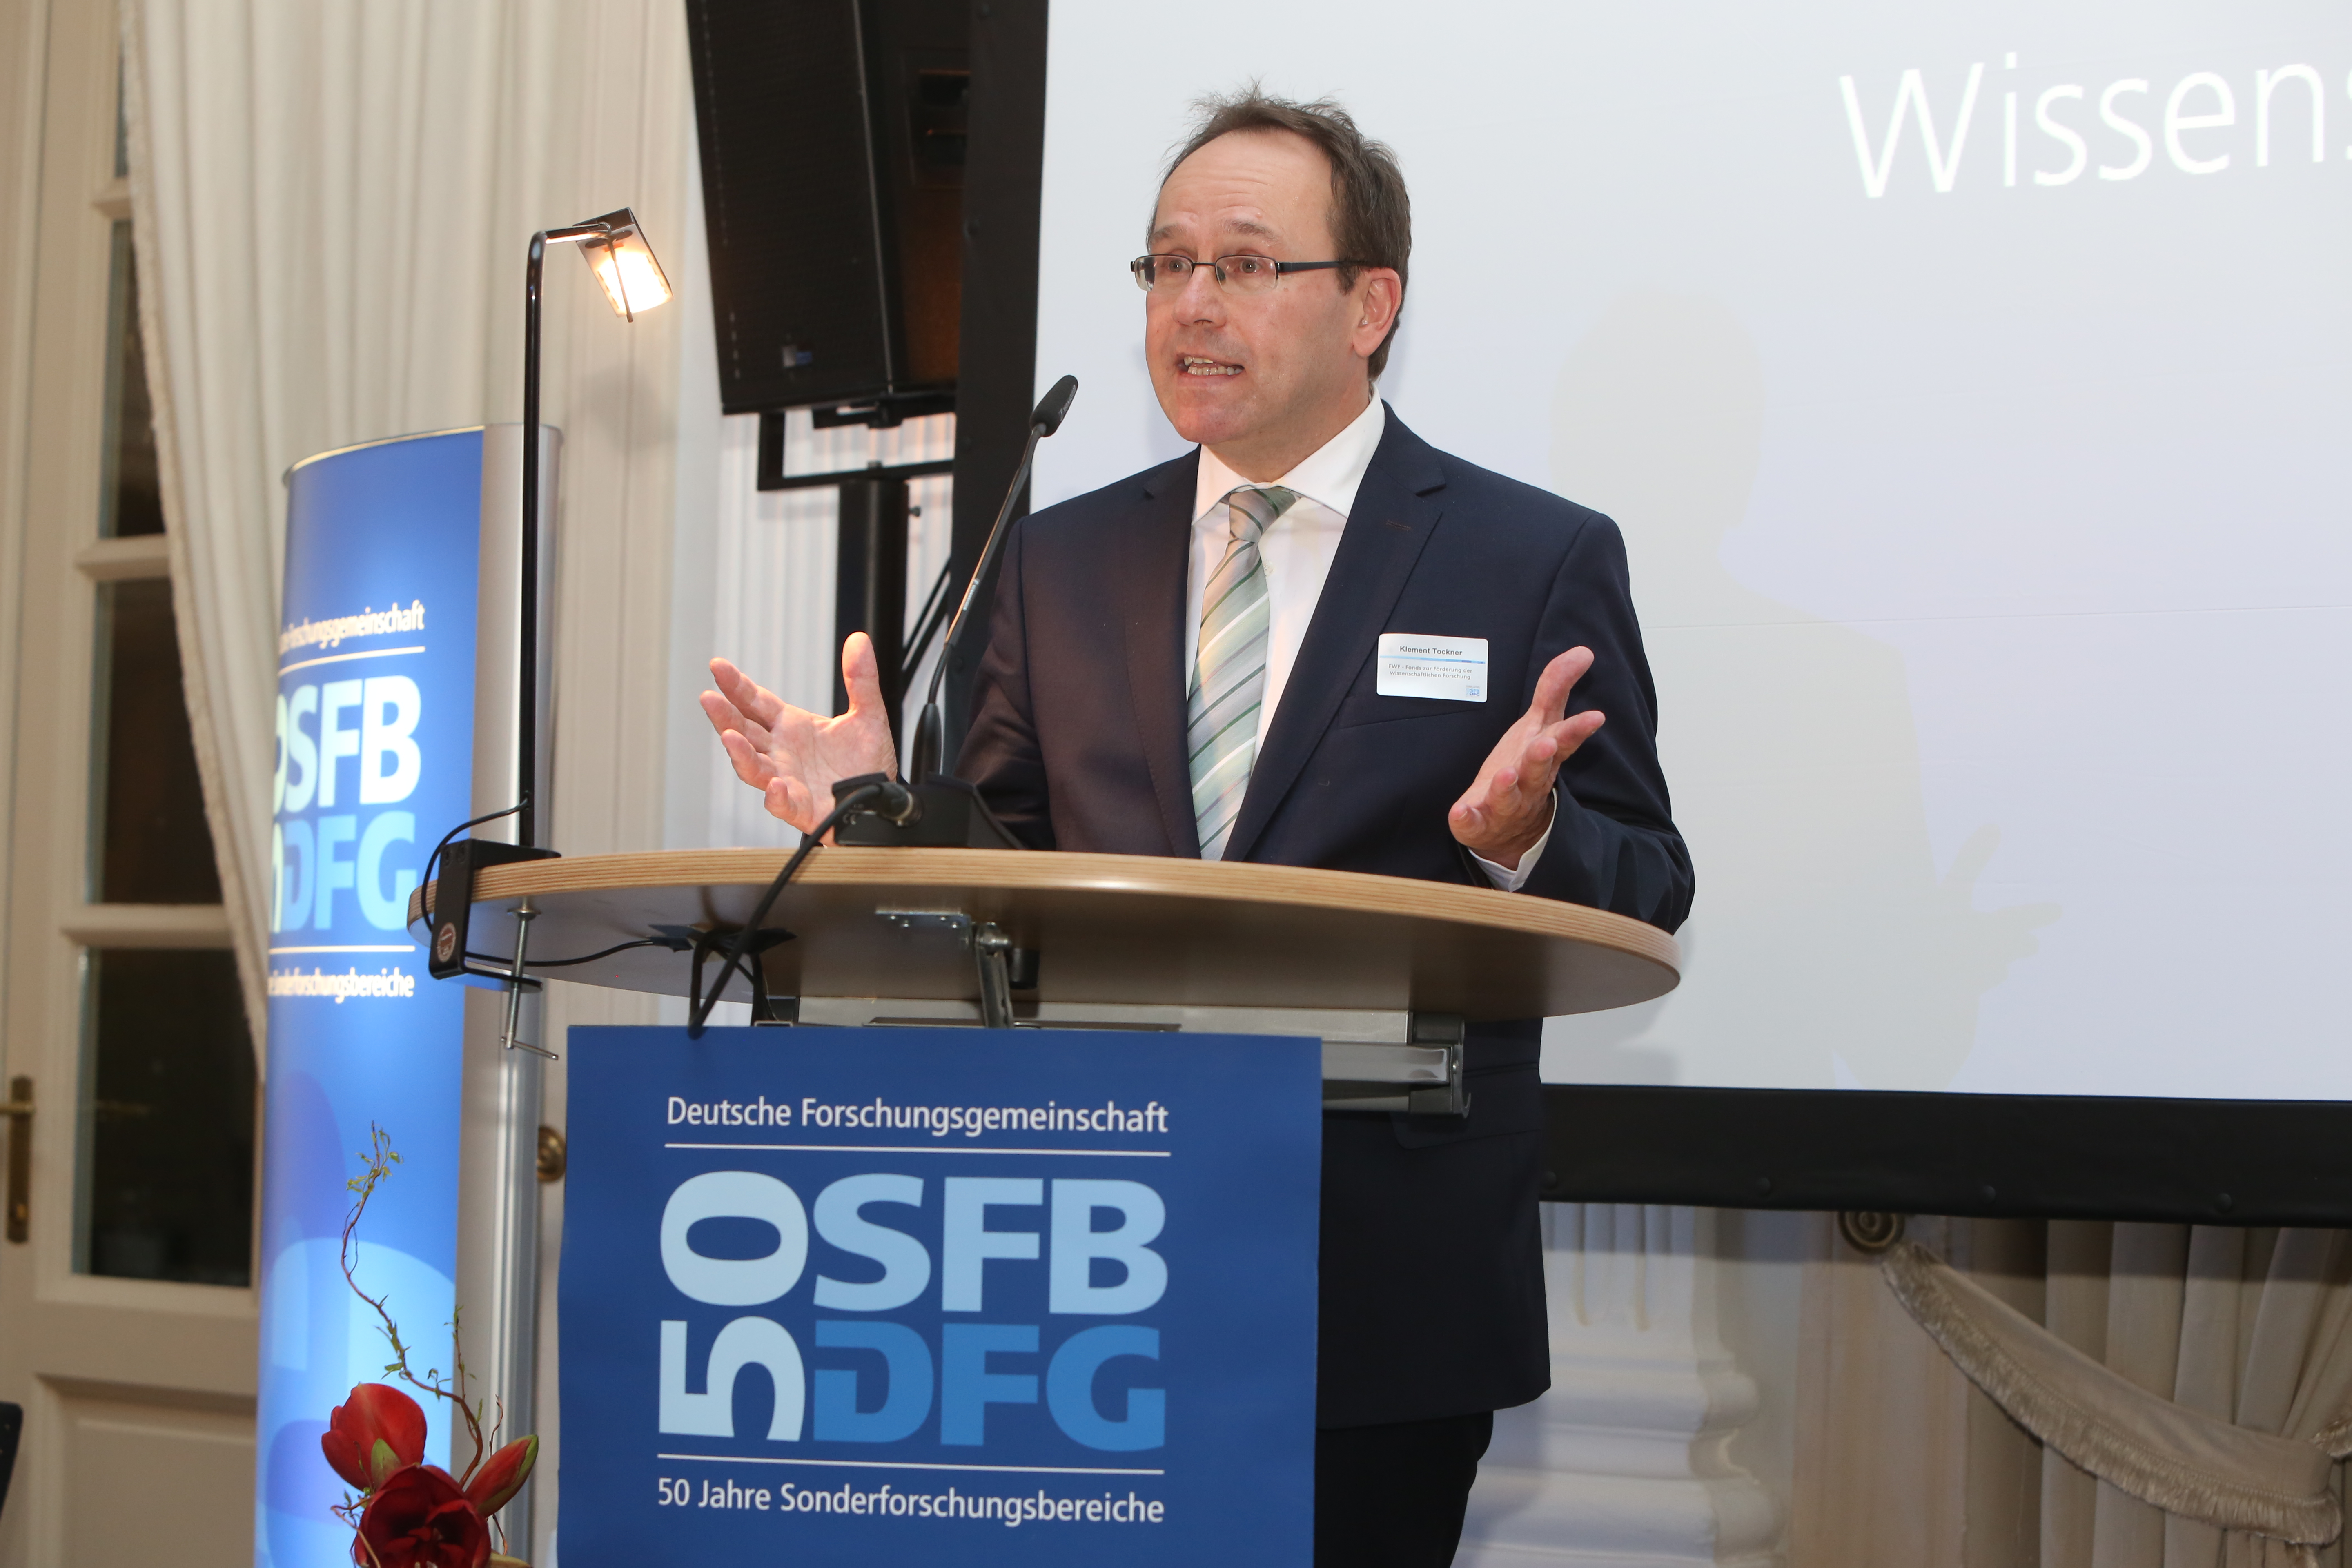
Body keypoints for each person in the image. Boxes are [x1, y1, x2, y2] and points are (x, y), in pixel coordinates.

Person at [703, 89, 1692, 1568]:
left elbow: (1650, 880)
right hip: (1081, 1269)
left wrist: (1522, 835)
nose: (1193, 303)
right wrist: (878, 825)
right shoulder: (1054, 560)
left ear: (1371, 305)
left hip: (1377, 1284)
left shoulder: (1526, 556)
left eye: (1243, 264)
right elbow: (1007, 881)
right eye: (1168, 265)